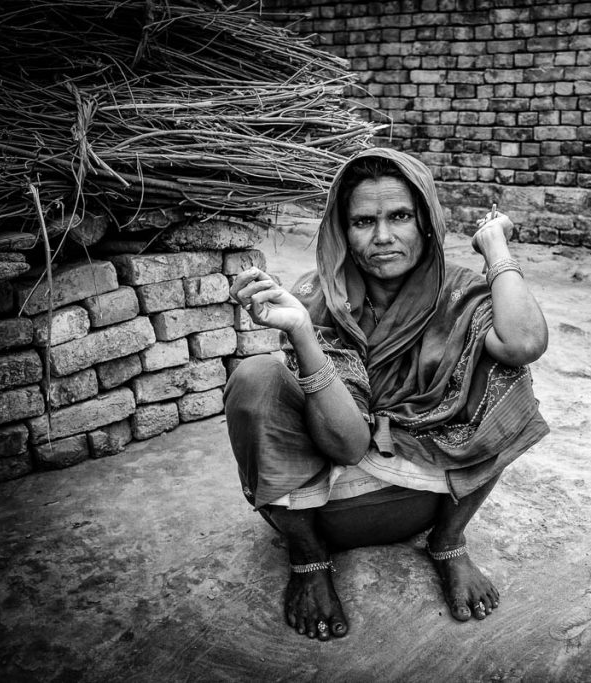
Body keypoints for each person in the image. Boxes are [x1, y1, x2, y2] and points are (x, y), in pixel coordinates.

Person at [223, 148, 549, 641]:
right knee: (255, 379)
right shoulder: (318, 298)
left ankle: (448, 542)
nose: (382, 237)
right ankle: (309, 561)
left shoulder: (459, 293)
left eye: (400, 216)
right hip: (322, 509)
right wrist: (303, 333)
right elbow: (347, 445)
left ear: (426, 224)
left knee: (507, 374)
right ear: (342, 232)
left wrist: (496, 250)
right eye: (362, 221)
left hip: (422, 500)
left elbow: (525, 342)